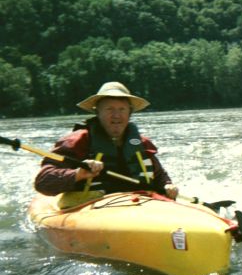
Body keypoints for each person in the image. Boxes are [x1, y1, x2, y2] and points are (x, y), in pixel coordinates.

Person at [35, 82, 179, 199]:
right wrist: (78, 173)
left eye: (122, 109)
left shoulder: (141, 143)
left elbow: (160, 176)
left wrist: (167, 185)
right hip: (91, 206)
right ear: (98, 113)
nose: (116, 115)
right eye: (110, 109)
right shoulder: (78, 141)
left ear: (129, 113)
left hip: (139, 202)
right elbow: (43, 182)